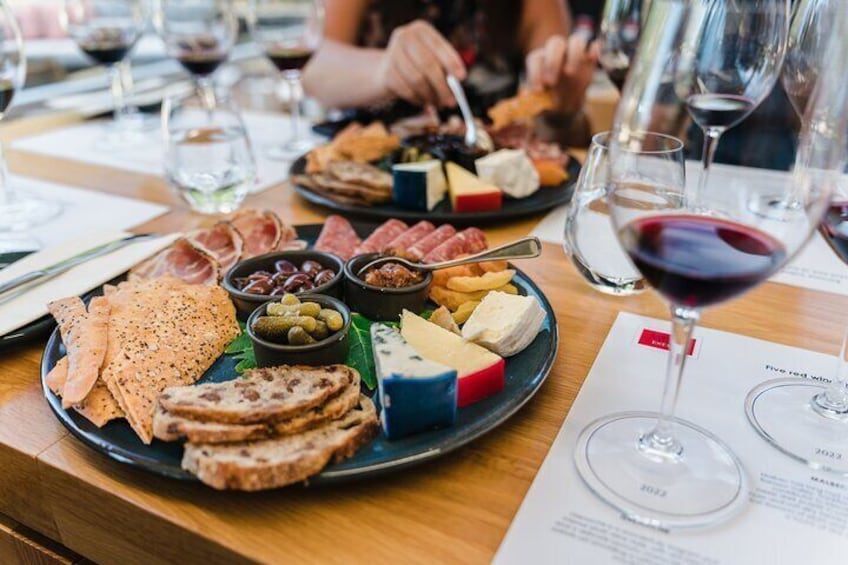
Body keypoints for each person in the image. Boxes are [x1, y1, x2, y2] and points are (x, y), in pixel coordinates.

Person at [301, 0, 599, 145]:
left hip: (492, 200)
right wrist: (384, 69)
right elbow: (314, 66)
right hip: (363, 195)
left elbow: (555, 131)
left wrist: (561, 110)